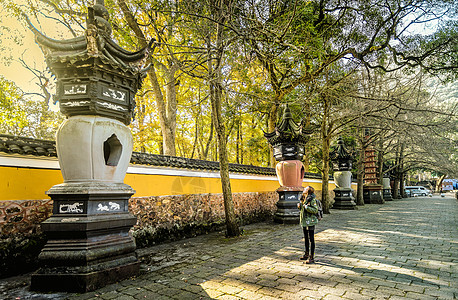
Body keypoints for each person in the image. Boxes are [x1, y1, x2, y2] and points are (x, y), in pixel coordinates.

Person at [298, 186, 318, 263]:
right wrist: (300, 207)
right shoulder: (303, 198)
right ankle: (306, 254)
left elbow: (315, 210)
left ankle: (311, 257)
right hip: (304, 221)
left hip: (310, 221)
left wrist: (307, 207)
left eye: (305, 189)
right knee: (306, 238)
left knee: (311, 239)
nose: (303, 189)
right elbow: (302, 210)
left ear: (308, 191)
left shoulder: (312, 200)